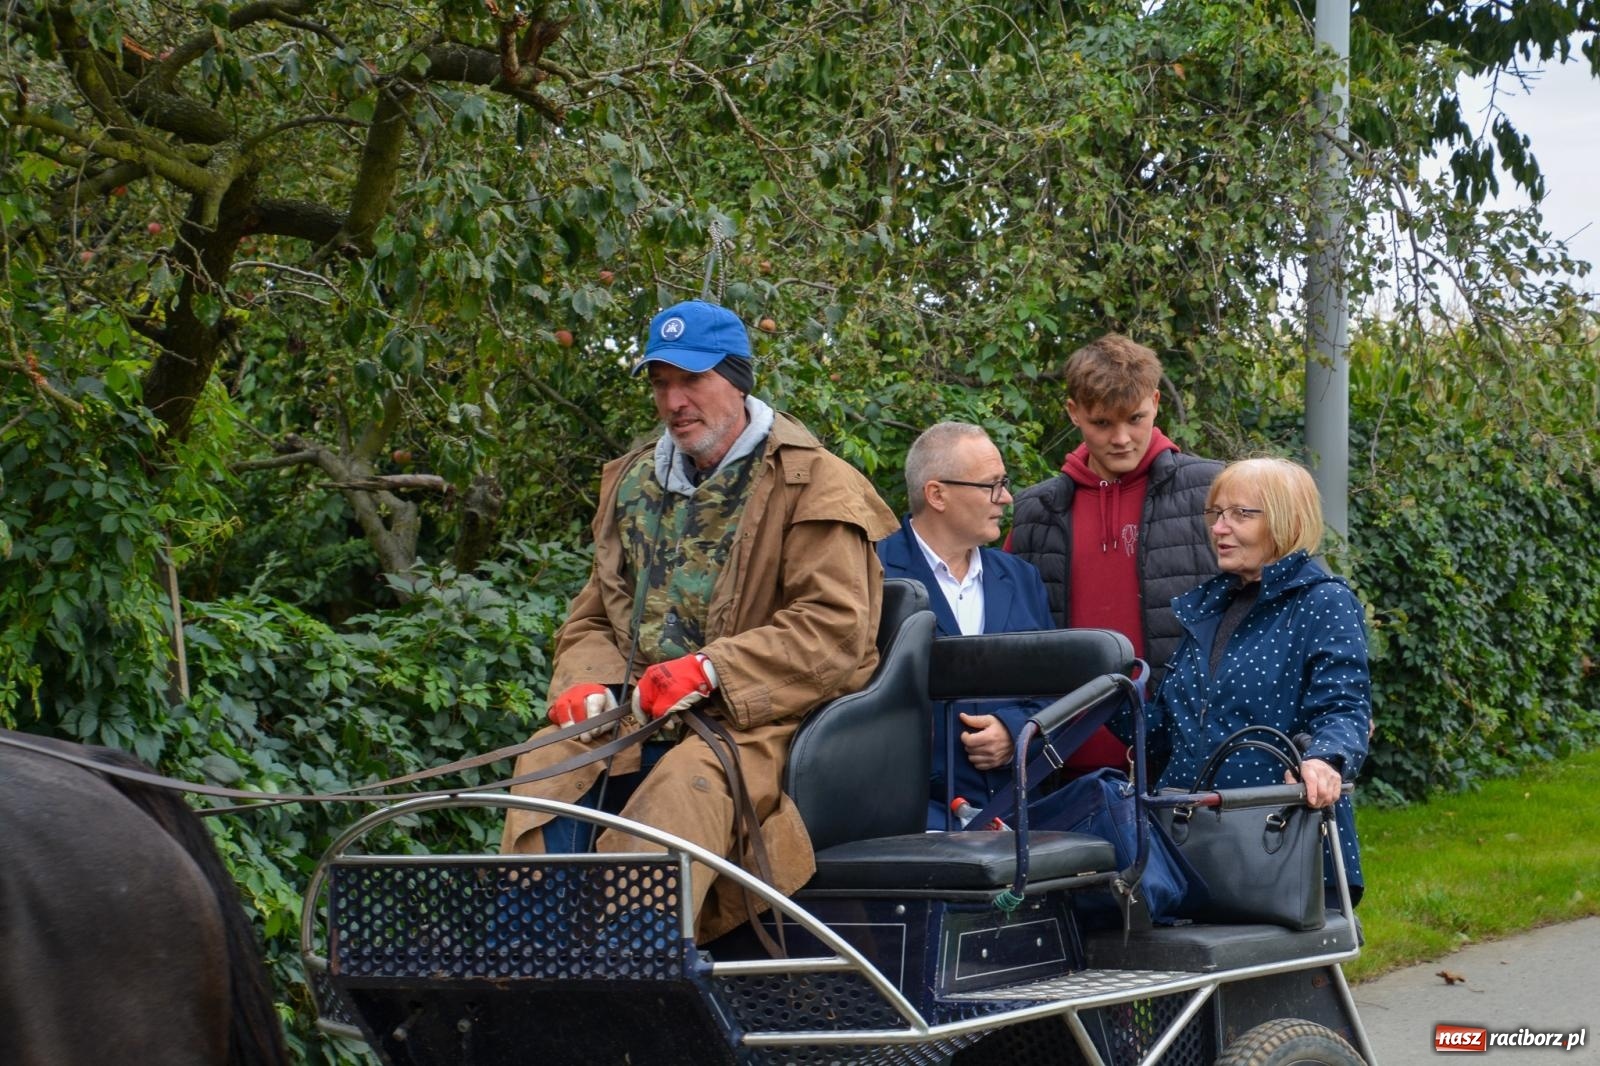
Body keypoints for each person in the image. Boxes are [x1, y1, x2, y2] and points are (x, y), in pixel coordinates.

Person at [499, 299, 897, 943]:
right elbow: (595, 614)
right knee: (549, 766)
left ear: (737, 380)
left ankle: (638, 973)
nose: (674, 400)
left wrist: (712, 669)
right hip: (641, 710)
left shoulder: (816, 483)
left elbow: (835, 631)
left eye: (692, 379)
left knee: (682, 794)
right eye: (661, 383)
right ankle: (527, 957)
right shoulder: (633, 484)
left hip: (767, 720)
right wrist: (582, 681)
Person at [1114, 456, 1371, 904]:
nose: (1219, 528)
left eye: (1241, 514)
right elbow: (1168, 733)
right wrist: (1105, 694)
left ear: (1286, 520)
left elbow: (1344, 705)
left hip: (1279, 838)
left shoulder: (1323, 601)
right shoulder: (1209, 606)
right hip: (1191, 843)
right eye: (1216, 513)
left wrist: (1326, 760)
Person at [1009, 333, 1222, 771]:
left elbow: (1287, 601)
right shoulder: (1036, 512)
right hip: (1061, 765)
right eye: (1102, 423)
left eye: (1135, 418)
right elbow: (1003, 636)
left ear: (1156, 402)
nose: (1121, 438)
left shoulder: (1213, 492)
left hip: (1186, 761)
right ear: (1073, 413)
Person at [876, 422, 1054, 829]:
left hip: (1022, 821)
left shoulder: (1022, 578)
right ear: (937, 494)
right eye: (991, 485)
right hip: (910, 826)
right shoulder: (873, 576)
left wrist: (1015, 731)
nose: (1006, 498)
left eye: (1004, 484)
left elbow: (1059, 691)